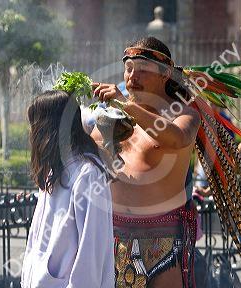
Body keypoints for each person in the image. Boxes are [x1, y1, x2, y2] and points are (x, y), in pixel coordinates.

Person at [91, 37, 200, 287]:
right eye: (129, 68)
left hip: (163, 241)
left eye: (143, 69)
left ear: (165, 74)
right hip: (112, 236)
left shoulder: (185, 114)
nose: (132, 76)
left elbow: (177, 137)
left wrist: (127, 106)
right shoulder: (109, 115)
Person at [21, 90, 114, 288]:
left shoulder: (87, 175)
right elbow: (37, 239)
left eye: (35, 125)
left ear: (50, 128)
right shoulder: (52, 171)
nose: (31, 133)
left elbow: (91, 252)